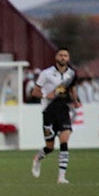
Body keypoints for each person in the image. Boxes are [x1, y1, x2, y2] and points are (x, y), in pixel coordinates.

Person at [30, 47, 80, 184]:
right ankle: (38, 158)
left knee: (64, 141)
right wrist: (46, 95)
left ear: (68, 58)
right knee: (50, 147)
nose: (63, 57)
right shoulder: (46, 73)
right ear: (56, 57)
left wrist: (75, 101)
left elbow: (72, 89)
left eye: (65, 55)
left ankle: (61, 177)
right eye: (61, 55)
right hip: (49, 111)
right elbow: (34, 92)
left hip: (63, 110)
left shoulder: (72, 74)